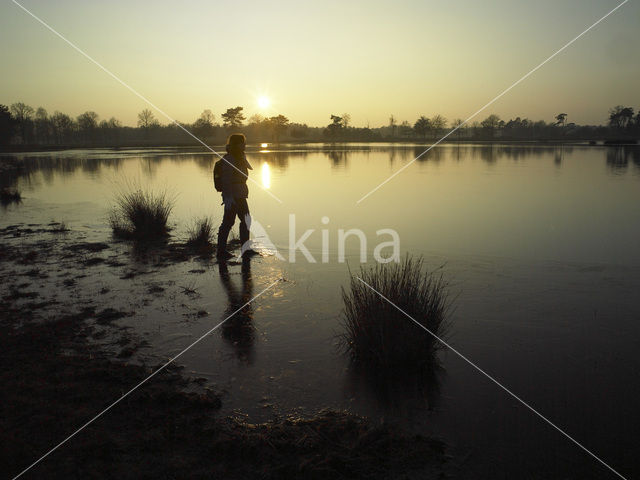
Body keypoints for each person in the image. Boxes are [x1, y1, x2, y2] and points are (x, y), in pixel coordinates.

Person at [216, 133, 252, 259]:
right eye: (243, 143)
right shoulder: (229, 159)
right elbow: (226, 180)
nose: (245, 145)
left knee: (246, 220)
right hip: (232, 196)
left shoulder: (240, 157)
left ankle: (245, 249)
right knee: (228, 223)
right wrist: (228, 197)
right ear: (237, 144)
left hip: (241, 194)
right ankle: (221, 252)